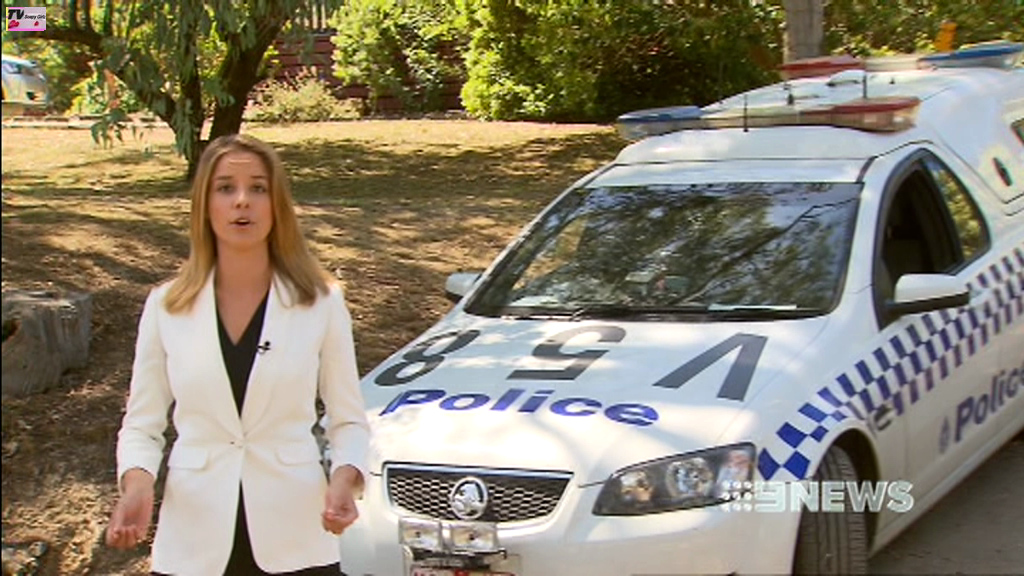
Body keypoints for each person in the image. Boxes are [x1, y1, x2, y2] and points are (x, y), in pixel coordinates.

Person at [105, 134, 370, 575]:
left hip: (297, 539)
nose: (242, 201)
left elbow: (348, 421)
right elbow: (142, 425)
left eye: (258, 188)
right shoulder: (166, 306)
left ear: (277, 204)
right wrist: (137, 485)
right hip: (193, 541)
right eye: (226, 188)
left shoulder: (321, 303)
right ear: (204, 205)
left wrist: (346, 477)